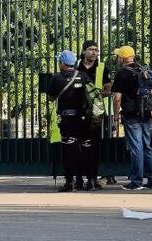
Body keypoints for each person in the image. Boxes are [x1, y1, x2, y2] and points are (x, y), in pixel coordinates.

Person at [110, 45, 152, 190]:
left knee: (136, 148)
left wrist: (115, 116)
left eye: (118, 56)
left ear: (122, 58)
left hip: (131, 115)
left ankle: (136, 181)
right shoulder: (143, 71)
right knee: (147, 146)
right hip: (147, 114)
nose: (117, 59)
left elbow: (117, 98)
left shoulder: (122, 74)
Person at [46, 50, 97, 192]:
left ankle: (70, 182)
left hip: (68, 119)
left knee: (69, 150)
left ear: (62, 63)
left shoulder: (57, 78)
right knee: (87, 149)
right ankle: (91, 181)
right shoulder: (83, 76)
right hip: (85, 119)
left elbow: (50, 97)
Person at [76, 40, 109, 189]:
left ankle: (92, 178)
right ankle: (77, 178)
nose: (94, 53)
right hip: (77, 110)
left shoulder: (102, 68)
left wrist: (94, 93)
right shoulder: (76, 67)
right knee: (77, 146)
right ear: (83, 51)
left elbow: (108, 89)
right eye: (91, 49)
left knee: (94, 147)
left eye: (96, 50)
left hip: (95, 112)